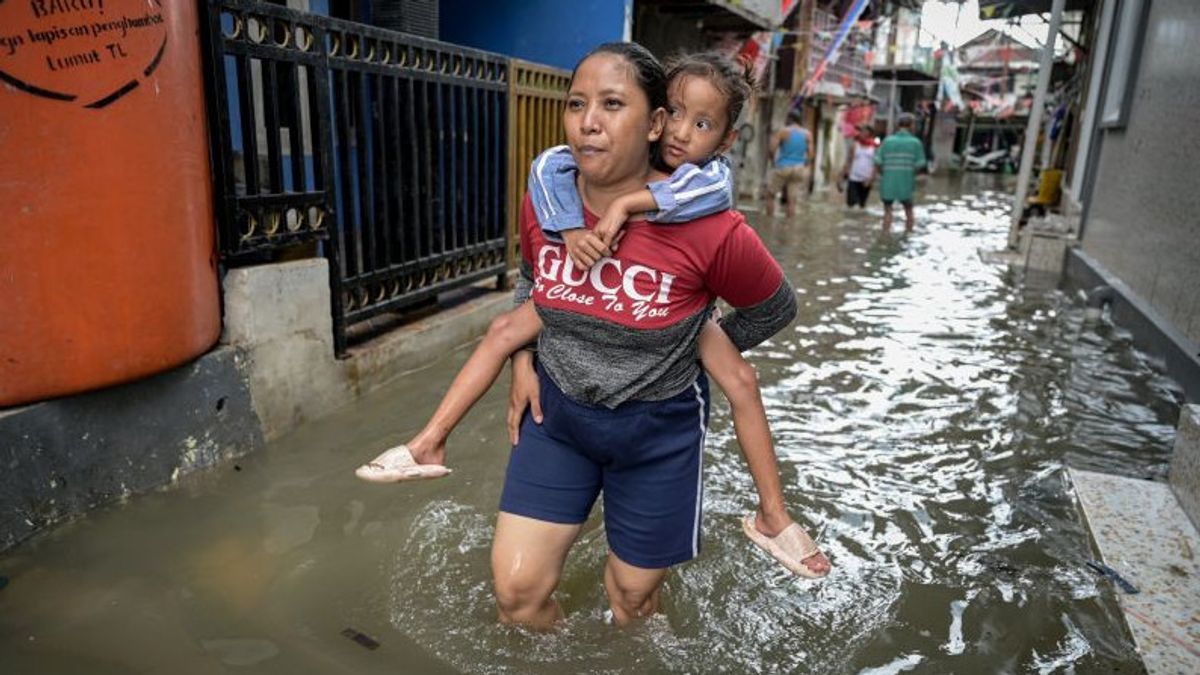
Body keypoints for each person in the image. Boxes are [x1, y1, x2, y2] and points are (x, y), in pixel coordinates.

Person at [359, 42, 829, 629]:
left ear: (653, 123)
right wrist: (523, 360)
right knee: (517, 595)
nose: (588, 123)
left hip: (657, 431)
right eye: (576, 104)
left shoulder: (713, 228)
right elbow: (531, 282)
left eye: (611, 104)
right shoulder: (550, 199)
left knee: (631, 601)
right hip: (558, 418)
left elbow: (774, 309)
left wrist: (694, 342)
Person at [875, 112, 927, 231]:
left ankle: (885, 236)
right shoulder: (915, 143)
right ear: (912, 125)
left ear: (897, 125)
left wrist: (885, 174)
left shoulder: (887, 141)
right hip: (906, 183)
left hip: (888, 182)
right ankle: (908, 235)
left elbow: (878, 162)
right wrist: (910, 173)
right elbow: (920, 164)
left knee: (887, 212)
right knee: (909, 211)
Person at [764, 110, 812, 218]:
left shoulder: (783, 132)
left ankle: (769, 221)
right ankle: (789, 226)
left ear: (789, 119)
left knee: (770, 195)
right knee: (792, 201)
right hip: (799, 168)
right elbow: (810, 154)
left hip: (783, 167)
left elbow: (772, 149)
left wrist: (773, 162)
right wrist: (805, 165)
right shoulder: (807, 134)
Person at [840, 124, 876, 208]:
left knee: (861, 205)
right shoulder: (855, 145)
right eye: (861, 132)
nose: (862, 134)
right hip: (853, 178)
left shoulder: (874, 147)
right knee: (851, 205)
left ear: (869, 134)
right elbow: (848, 162)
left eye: (865, 132)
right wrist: (841, 177)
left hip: (866, 180)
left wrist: (871, 179)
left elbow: (876, 165)